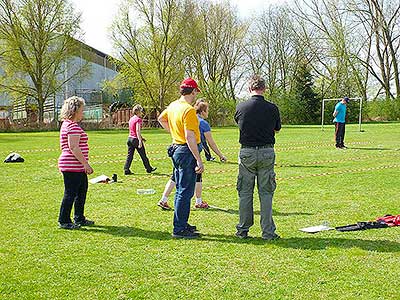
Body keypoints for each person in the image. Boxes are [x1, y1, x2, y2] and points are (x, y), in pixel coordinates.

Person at [234, 75, 281, 240]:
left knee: (245, 192)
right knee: (266, 192)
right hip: (267, 151)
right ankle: (268, 232)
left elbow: (240, 124)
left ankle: (243, 229)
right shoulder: (272, 108)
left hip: (246, 152)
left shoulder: (241, 107)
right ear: (264, 89)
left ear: (249, 89)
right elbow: (277, 129)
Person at [157, 100, 227, 210]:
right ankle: (198, 202)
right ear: (203, 111)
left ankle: (163, 199)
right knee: (196, 177)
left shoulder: (186, 115)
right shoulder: (203, 123)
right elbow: (211, 142)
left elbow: (162, 119)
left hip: (177, 149)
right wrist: (220, 155)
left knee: (175, 176)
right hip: (190, 152)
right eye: (207, 110)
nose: (208, 112)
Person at [158, 77, 204, 238]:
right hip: (186, 151)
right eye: (196, 92)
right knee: (185, 191)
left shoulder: (173, 106)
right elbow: (190, 136)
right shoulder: (189, 110)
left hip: (177, 148)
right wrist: (199, 159)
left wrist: (173, 133)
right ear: (193, 91)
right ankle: (179, 228)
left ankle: (182, 222)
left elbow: (161, 119)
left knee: (180, 189)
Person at [58, 96, 94, 230]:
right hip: (72, 166)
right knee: (70, 193)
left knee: (81, 191)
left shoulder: (68, 124)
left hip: (75, 166)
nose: (83, 112)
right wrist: (86, 164)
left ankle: (79, 217)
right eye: (82, 109)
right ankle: (64, 220)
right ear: (75, 110)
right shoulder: (71, 126)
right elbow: (73, 147)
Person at [124, 104, 157, 175]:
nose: (142, 112)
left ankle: (126, 169)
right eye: (141, 111)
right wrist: (140, 141)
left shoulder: (131, 119)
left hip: (130, 139)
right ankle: (149, 168)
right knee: (143, 155)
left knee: (129, 156)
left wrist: (142, 138)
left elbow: (132, 130)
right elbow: (137, 130)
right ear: (138, 111)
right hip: (135, 140)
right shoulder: (138, 119)